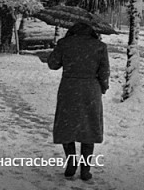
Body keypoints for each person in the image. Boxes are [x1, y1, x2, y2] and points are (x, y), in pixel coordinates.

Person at [47, 22, 110, 181]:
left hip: (69, 89)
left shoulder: (64, 44)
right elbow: (104, 72)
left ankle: (71, 162)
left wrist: (58, 50)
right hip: (90, 90)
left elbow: (53, 64)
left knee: (67, 126)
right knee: (88, 129)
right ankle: (85, 170)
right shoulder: (99, 46)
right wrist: (102, 87)